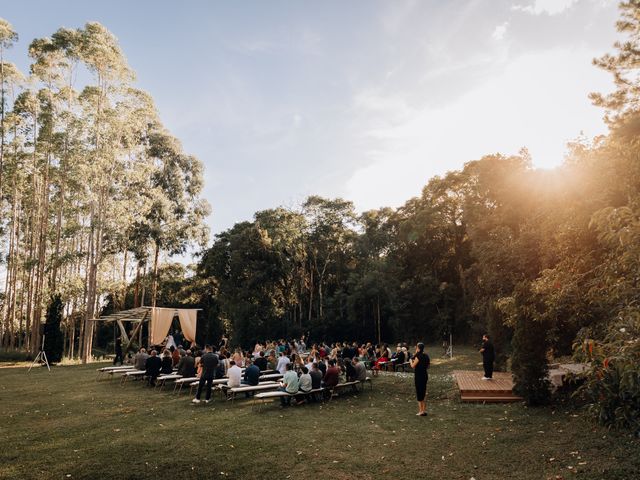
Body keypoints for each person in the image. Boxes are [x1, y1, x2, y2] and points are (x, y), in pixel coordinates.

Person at [410, 342, 430, 416]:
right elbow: (428, 365)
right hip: (425, 375)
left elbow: (413, 365)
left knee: (419, 393)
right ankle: (423, 410)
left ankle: (421, 411)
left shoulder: (418, 356)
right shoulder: (426, 356)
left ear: (418, 348)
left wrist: (410, 361)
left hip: (419, 376)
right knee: (423, 392)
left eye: (416, 347)